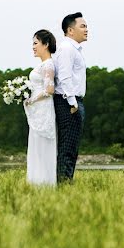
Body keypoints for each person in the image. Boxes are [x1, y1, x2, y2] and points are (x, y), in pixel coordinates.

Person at [53, 12, 88, 184]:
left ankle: (65, 181)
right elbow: (65, 77)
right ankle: (64, 183)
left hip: (73, 101)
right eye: (82, 26)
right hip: (68, 102)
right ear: (70, 30)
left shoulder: (73, 49)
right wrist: (73, 103)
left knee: (71, 146)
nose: (86, 29)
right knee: (67, 146)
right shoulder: (67, 49)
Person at [24, 30, 58, 185]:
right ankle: (35, 182)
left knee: (42, 147)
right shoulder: (43, 65)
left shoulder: (49, 64)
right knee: (36, 146)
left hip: (43, 109)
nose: (33, 47)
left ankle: (44, 183)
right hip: (38, 110)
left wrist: (32, 99)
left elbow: (49, 90)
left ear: (46, 44)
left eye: (35, 43)